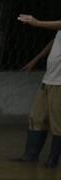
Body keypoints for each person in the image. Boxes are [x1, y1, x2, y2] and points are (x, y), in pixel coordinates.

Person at [14, 15, 61, 167]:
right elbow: (55, 41)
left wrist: (37, 23)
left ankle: (53, 160)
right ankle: (30, 155)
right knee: (37, 117)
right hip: (49, 78)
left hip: (59, 82)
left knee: (58, 122)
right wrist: (35, 60)